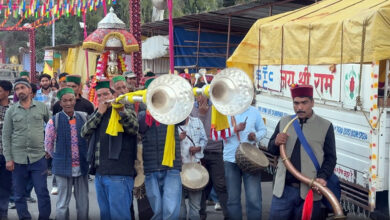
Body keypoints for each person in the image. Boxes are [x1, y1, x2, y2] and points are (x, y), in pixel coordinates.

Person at [268, 84, 337, 220]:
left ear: (312, 102)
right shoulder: (284, 122)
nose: (299, 107)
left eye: (304, 103)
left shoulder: (325, 126)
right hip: (283, 191)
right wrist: (276, 142)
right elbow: (272, 150)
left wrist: (322, 177)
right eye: (296, 103)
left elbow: (330, 158)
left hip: (310, 191)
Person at [81, 80, 139, 220]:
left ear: (113, 95)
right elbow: (84, 132)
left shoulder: (125, 109)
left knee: (120, 215)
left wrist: (121, 112)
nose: (103, 98)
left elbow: (134, 128)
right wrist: (99, 113)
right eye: (99, 95)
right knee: (105, 215)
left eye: (106, 94)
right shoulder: (98, 113)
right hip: (100, 173)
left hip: (119, 174)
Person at [2, 78, 51, 220]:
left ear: (30, 90)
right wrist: (8, 159)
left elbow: (51, 128)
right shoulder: (11, 110)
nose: (20, 91)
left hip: (38, 157)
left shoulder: (42, 107)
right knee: (18, 194)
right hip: (18, 159)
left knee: (42, 191)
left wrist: (49, 147)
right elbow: (6, 136)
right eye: (17, 89)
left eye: (22, 88)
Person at [138, 78, 183, 220]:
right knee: (156, 211)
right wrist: (151, 109)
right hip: (151, 168)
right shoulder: (142, 115)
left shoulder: (173, 112)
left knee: (171, 210)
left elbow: (183, 117)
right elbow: (141, 127)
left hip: (171, 166)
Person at [45, 88, 89, 220]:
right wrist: (59, 157)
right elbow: (48, 144)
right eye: (65, 101)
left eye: (71, 100)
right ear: (60, 103)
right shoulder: (54, 120)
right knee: (62, 202)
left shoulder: (84, 116)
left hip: (82, 165)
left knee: (83, 202)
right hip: (62, 167)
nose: (68, 103)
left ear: (75, 100)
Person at [220, 98, 266, 220]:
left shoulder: (254, 112)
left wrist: (255, 136)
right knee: (233, 199)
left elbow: (263, 130)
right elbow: (217, 135)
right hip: (230, 160)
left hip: (251, 160)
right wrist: (234, 130)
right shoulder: (225, 112)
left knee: (254, 199)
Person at [191, 91, 229, 220]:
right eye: (199, 95)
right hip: (199, 153)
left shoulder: (217, 108)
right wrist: (202, 115)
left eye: (204, 95)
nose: (201, 98)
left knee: (221, 185)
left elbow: (221, 130)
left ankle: (228, 215)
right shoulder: (192, 109)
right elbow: (195, 131)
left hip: (216, 151)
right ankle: (201, 214)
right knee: (201, 185)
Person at [178, 116, 207, 220]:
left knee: (195, 207)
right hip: (178, 169)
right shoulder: (172, 123)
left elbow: (204, 139)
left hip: (195, 167)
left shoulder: (197, 121)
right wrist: (178, 139)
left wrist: (199, 148)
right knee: (180, 207)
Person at [0, 80, 13, 220]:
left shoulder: (14, 109)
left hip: (7, 154)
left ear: (7, 93)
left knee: (5, 187)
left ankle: (3, 213)